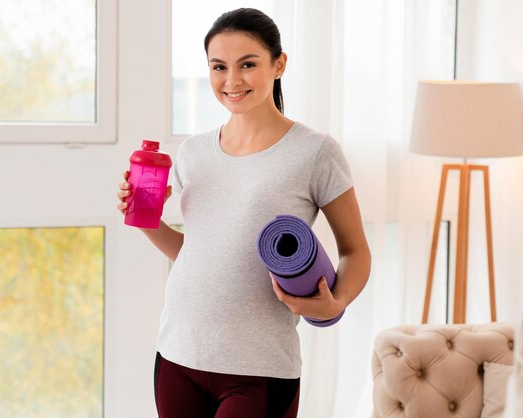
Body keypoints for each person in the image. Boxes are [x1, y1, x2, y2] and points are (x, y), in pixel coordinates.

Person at [117, 8, 371, 418]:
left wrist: (336, 301)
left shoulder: (315, 152)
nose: (232, 81)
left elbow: (356, 251)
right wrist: (146, 220)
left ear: (279, 64)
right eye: (219, 67)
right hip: (178, 354)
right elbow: (196, 252)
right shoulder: (194, 152)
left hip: (259, 366)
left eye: (247, 64)